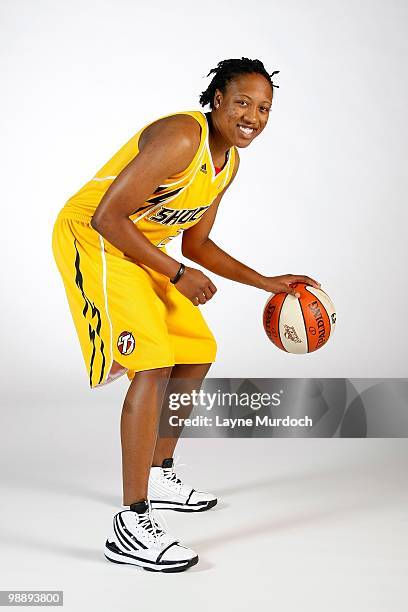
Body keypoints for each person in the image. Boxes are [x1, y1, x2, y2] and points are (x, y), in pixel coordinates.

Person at [52, 57, 320, 572]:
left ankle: (158, 472)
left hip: (141, 248)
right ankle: (131, 521)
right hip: (95, 241)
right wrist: (175, 275)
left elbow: (197, 244)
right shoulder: (182, 137)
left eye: (264, 108)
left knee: (196, 351)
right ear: (217, 100)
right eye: (243, 102)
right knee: (152, 363)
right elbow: (107, 217)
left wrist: (268, 283)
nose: (254, 116)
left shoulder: (228, 163)